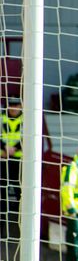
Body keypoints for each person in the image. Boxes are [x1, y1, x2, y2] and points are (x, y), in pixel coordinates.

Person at [1, 97, 23, 237]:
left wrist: (14, 148)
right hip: (2, 158)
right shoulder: (1, 117)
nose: (14, 108)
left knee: (20, 192)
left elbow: (29, 136)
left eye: (16, 105)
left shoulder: (27, 119)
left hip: (19, 160)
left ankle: (21, 229)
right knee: (2, 194)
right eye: (11, 105)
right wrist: (4, 148)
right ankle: (2, 231)